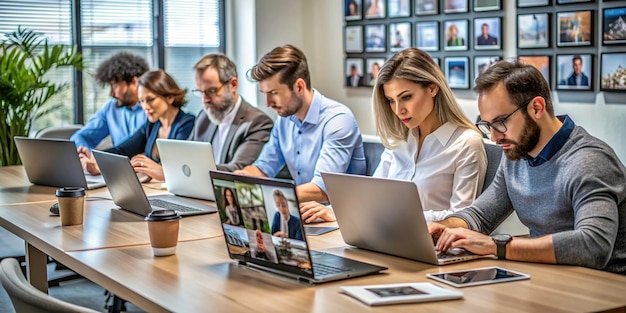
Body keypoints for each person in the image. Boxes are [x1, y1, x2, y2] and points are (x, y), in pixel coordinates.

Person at [429, 60, 626, 275]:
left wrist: (497, 246)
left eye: (501, 122)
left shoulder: (588, 161)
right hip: (550, 278)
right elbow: (481, 216)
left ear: (537, 107)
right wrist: (444, 228)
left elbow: (593, 246)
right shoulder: (516, 154)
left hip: (606, 289)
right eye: (487, 125)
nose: (494, 137)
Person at [302, 48, 487, 223]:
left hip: (436, 246)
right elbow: (373, 195)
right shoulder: (398, 139)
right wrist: (335, 211)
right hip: (386, 237)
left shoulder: (467, 143)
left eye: (406, 97)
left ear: (432, 88)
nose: (399, 110)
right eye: (391, 100)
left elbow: (462, 219)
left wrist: (398, 217)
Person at [236, 44, 366, 210]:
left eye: (274, 93)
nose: (268, 103)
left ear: (299, 87)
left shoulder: (338, 120)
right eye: (265, 94)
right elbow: (264, 167)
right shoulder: (284, 119)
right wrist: (241, 180)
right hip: (305, 215)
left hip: (342, 219)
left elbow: (323, 189)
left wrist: (271, 196)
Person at [147, 53, 274, 181]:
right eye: (200, 92)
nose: (205, 99)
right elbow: (187, 158)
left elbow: (237, 169)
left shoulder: (257, 122)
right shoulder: (204, 117)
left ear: (233, 85)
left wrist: (171, 171)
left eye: (211, 91)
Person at [79, 70, 195, 178]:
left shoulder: (188, 124)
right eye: (141, 101)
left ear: (170, 98)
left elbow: (183, 172)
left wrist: (161, 171)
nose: (145, 107)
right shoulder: (152, 124)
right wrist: (94, 159)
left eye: (150, 99)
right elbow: (122, 150)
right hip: (155, 190)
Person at [70, 52, 149, 149]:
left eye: (114, 85)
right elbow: (80, 137)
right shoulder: (110, 108)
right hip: (116, 163)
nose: (112, 93)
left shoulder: (151, 110)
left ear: (134, 82)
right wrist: (87, 154)